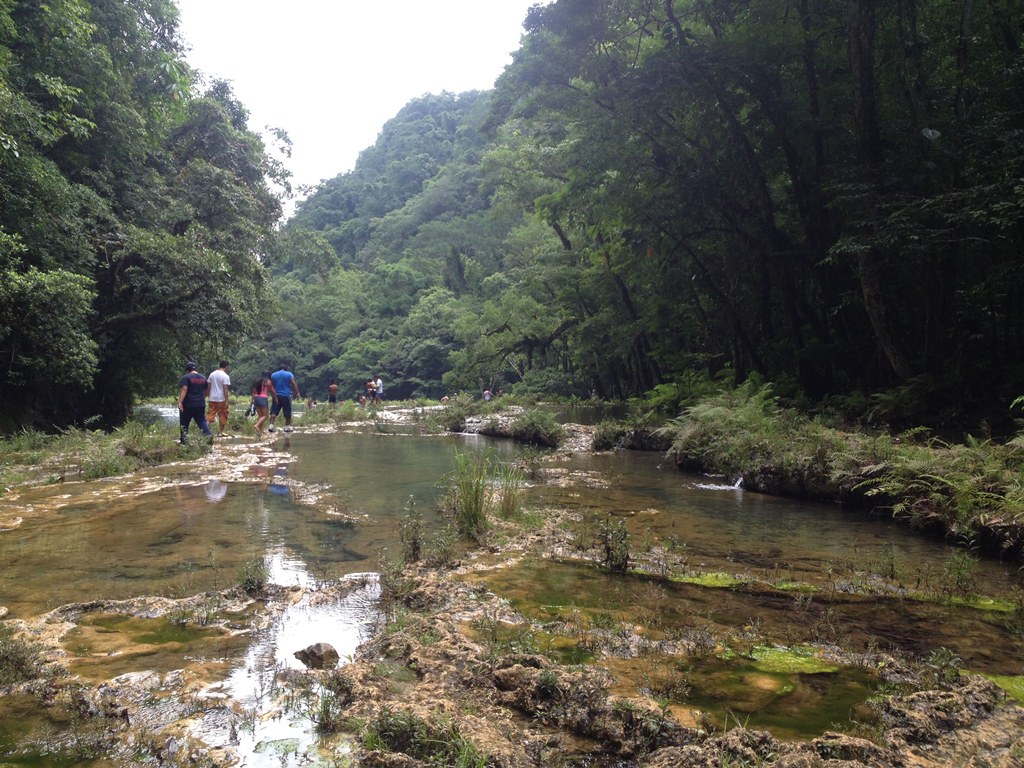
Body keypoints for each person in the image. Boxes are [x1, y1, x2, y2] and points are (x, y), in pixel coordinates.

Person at [177, 361, 211, 444]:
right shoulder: (203, 378)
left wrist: (180, 402)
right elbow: (207, 391)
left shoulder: (186, 378)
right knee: (202, 422)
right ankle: (209, 436)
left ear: (187, 370)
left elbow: (184, 389)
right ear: (196, 369)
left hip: (187, 404)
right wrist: (202, 398)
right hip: (200, 404)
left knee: (184, 423)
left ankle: (184, 442)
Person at [268, 364, 300, 433]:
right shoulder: (289, 374)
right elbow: (293, 383)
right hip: (286, 395)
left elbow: (271, 385)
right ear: (286, 368)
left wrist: (272, 394)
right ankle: (287, 427)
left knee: (274, 411)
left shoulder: (273, 375)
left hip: (276, 395)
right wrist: (297, 393)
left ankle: (271, 425)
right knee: (287, 412)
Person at [206, 360, 231, 437]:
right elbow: (225, 389)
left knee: (210, 414)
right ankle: (220, 432)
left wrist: (208, 395)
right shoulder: (225, 376)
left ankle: (205, 430)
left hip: (212, 398)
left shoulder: (212, 374)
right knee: (223, 415)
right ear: (226, 367)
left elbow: (208, 386)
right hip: (221, 398)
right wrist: (226, 400)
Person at [251, 370, 277, 437]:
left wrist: (252, 402)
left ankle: (260, 430)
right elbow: (273, 391)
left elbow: (253, 392)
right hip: (263, 398)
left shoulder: (256, 381)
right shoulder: (267, 381)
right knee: (265, 415)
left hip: (256, 398)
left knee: (260, 416)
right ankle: (257, 426)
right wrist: (275, 398)